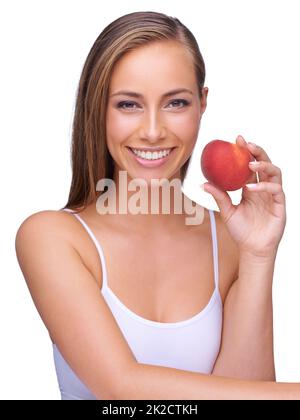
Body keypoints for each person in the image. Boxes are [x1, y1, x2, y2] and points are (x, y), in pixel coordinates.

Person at [15, 11, 299, 400]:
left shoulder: (230, 241)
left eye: (176, 103)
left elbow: (245, 394)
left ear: (202, 104)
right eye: (128, 105)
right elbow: (122, 388)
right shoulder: (52, 237)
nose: (152, 131)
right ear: (97, 109)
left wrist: (258, 255)